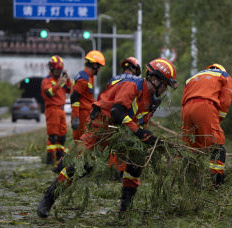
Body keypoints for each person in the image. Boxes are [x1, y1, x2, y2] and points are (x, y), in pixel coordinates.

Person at [37, 58, 178, 218]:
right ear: (154, 78)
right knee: (83, 165)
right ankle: (49, 198)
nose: (165, 88)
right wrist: (139, 132)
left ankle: (125, 210)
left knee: (135, 161)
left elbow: (140, 121)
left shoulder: (152, 100)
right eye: (165, 84)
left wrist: (146, 138)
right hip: (102, 126)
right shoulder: (131, 86)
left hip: (122, 131)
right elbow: (117, 112)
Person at [181, 63, 232, 188]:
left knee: (192, 149)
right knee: (217, 146)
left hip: (187, 109)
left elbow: (183, 100)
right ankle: (217, 184)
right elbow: (225, 100)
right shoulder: (223, 75)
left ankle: (191, 185)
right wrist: (217, 119)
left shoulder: (192, 78)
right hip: (205, 107)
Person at [41, 55, 72, 165]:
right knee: (53, 136)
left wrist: (67, 79)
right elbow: (48, 93)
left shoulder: (62, 80)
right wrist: (58, 84)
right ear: (51, 68)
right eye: (56, 70)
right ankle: (50, 159)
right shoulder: (47, 80)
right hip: (52, 110)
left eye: (60, 70)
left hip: (61, 110)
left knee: (62, 136)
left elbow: (70, 90)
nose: (58, 73)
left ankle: (59, 159)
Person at [71, 50, 105, 141]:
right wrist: (76, 117)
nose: (99, 69)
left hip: (86, 112)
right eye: (99, 67)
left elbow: (87, 97)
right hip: (81, 113)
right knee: (82, 141)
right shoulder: (84, 78)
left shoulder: (89, 77)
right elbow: (74, 97)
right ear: (94, 65)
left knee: (86, 140)